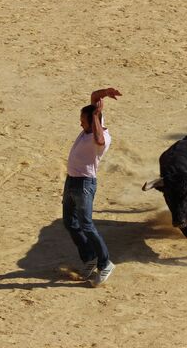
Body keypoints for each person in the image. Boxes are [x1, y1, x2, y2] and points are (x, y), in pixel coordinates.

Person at [62, 87, 121, 287]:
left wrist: (95, 115)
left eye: (83, 120)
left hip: (84, 185)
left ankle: (105, 264)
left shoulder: (101, 140)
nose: (80, 123)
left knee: (87, 225)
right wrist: (103, 94)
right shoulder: (94, 124)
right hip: (71, 181)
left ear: (93, 121)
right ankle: (89, 259)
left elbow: (99, 138)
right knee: (70, 222)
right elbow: (94, 98)